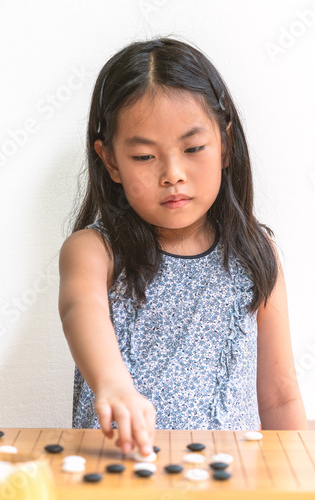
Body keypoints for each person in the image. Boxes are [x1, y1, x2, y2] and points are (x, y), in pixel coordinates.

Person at [58, 37, 308, 458]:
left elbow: (280, 396)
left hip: (231, 481)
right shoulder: (94, 250)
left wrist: (302, 471)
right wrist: (113, 382)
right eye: (143, 157)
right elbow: (79, 309)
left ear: (226, 144)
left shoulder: (256, 253)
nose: (173, 174)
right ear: (111, 161)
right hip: (120, 477)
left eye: (193, 149)